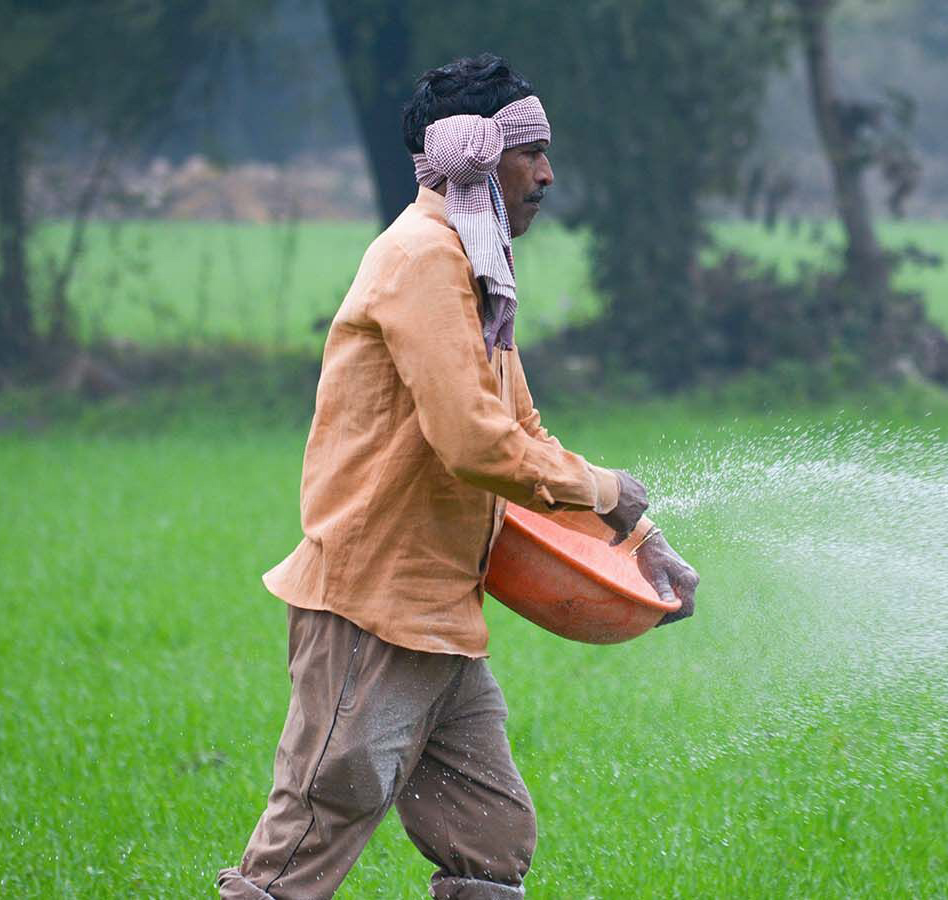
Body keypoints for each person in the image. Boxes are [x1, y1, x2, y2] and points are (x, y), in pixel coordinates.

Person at [217, 53, 700, 900]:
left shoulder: (476, 264)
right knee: (303, 847)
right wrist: (605, 490)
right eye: (531, 152)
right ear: (474, 156)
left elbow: (522, 432)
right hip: (372, 610)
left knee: (491, 838)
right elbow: (476, 444)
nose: (547, 174)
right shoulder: (422, 259)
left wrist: (638, 538)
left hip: (441, 618)